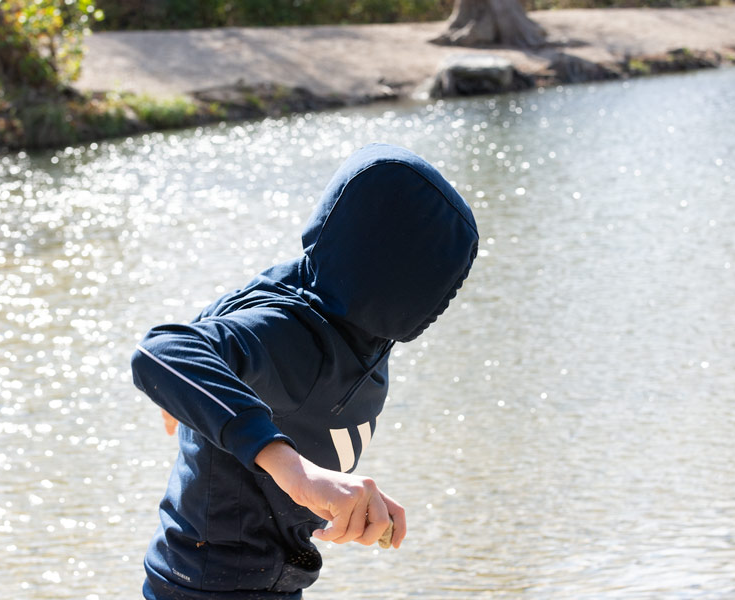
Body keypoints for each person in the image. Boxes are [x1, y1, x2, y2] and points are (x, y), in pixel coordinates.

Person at [131, 143, 479, 599]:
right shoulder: (295, 336)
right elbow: (161, 351)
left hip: (264, 579)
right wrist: (298, 474)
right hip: (214, 586)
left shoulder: (353, 313)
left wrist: (187, 401)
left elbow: (215, 330)